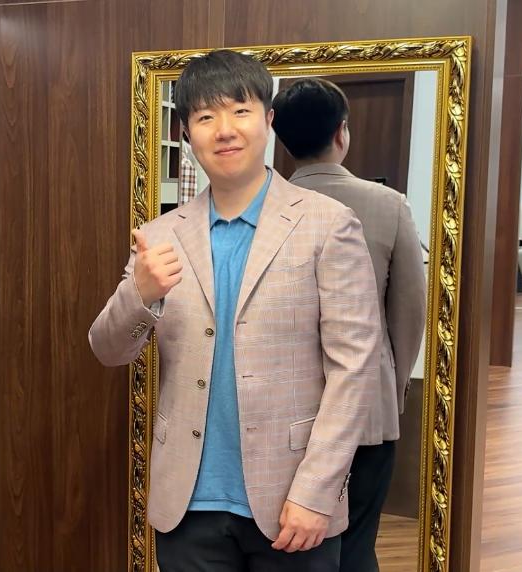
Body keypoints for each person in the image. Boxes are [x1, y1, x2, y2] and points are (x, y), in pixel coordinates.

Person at [88, 51, 382, 571]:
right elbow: (107, 349)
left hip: (293, 501)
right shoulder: (160, 236)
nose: (224, 130)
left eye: (240, 111)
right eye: (205, 116)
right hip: (188, 503)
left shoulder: (328, 224)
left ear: (268, 120)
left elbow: (354, 369)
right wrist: (141, 292)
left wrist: (317, 491)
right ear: (186, 133)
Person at [272, 77, 427, 572]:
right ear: (342, 132)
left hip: (282, 408)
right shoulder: (388, 204)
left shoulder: (263, 205)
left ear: (279, 136)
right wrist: (392, 387)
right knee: (357, 543)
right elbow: (409, 310)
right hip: (366, 407)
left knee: (289, 544)